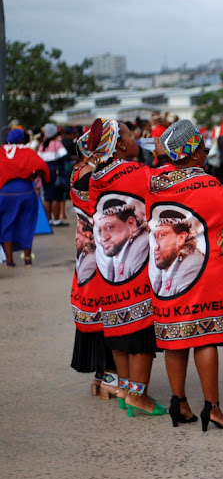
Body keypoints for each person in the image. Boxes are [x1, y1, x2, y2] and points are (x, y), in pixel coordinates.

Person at [149, 119, 223, 431]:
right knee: (205, 339)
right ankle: (212, 408)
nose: (204, 154)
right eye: (202, 148)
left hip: (165, 280)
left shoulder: (154, 184)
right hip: (201, 276)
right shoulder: (208, 185)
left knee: (174, 339)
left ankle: (180, 403)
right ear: (193, 153)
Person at [87, 118, 165, 417]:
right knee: (142, 334)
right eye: (132, 135)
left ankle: (125, 390)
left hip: (108, 266)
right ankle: (139, 396)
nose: (136, 139)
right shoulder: (136, 172)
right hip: (136, 266)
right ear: (119, 144)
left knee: (118, 329)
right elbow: (163, 189)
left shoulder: (98, 176)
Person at [69, 137, 117, 401]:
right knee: (107, 306)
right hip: (100, 249)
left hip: (84, 248)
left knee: (94, 307)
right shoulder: (96, 176)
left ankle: (100, 378)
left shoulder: (79, 170)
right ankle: (110, 376)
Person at [0, 128, 49, 266]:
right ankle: (27, 258)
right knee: (27, 224)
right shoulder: (27, 151)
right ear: (22, 139)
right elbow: (41, 165)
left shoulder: (2, 151)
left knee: (6, 225)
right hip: (26, 191)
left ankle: (9, 260)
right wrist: (33, 176)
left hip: (5, 192)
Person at [96, 197, 150, 283]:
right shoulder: (114, 257)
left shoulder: (141, 245)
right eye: (100, 231)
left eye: (109, 227)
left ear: (131, 224)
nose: (103, 238)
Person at [37, 122, 70, 226]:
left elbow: (39, 159)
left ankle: (49, 220)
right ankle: (56, 220)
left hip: (45, 174)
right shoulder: (57, 144)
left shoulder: (42, 145)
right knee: (56, 197)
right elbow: (66, 156)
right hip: (56, 173)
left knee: (47, 197)